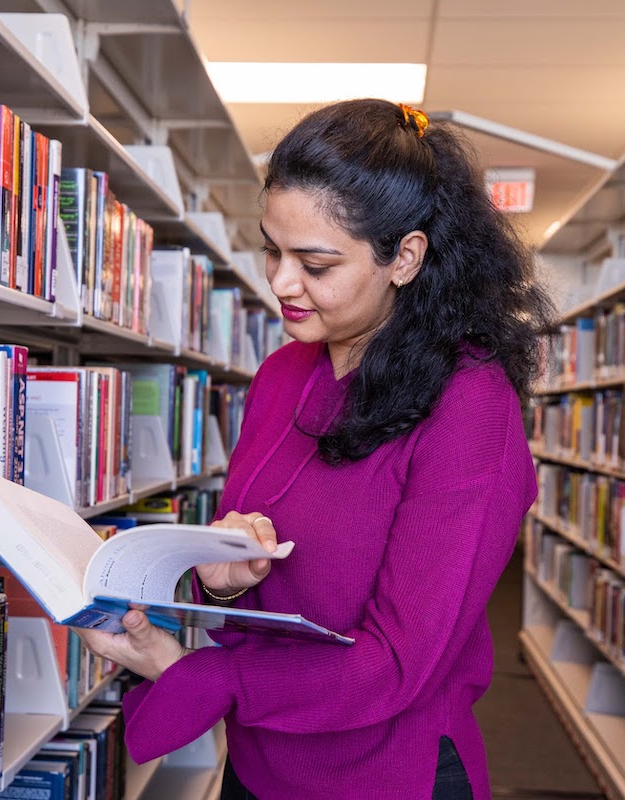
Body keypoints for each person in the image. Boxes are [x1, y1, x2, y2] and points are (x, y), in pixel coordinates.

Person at [75, 98, 556, 799]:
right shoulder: (282, 375)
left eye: (316, 262)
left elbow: (397, 664)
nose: (280, 283)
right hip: (259, 756)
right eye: (272, 248)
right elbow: (260, 568)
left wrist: (197, 674)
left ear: (405, 257)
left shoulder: (470, 406)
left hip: (384, 774)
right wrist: (223, 576)